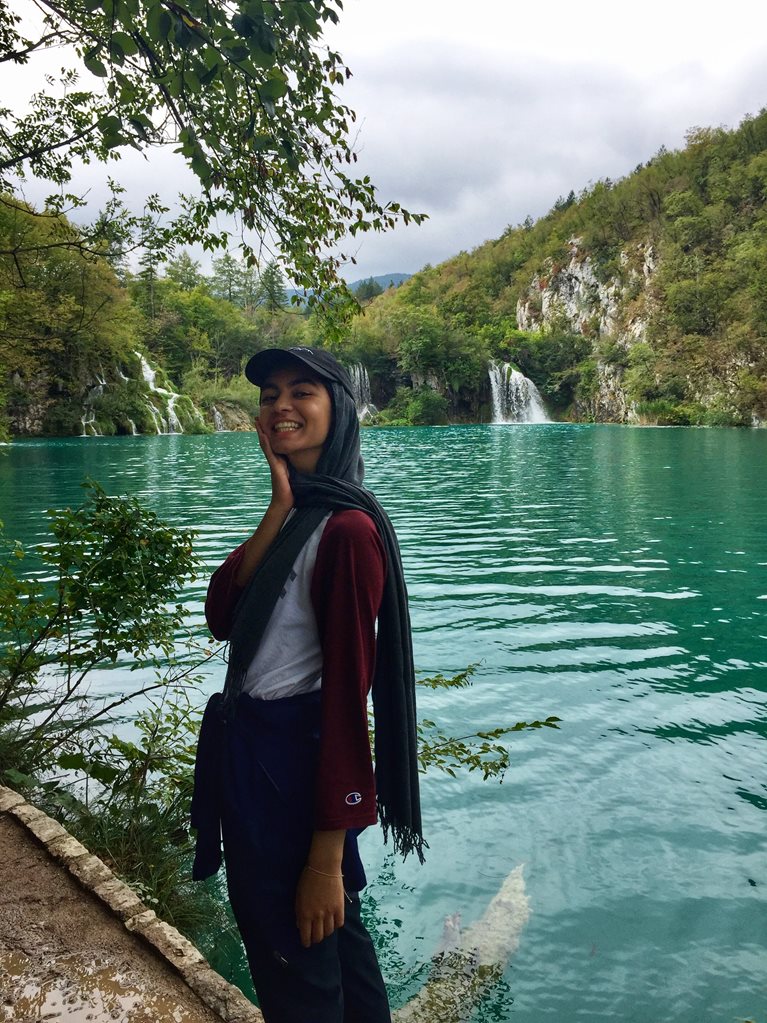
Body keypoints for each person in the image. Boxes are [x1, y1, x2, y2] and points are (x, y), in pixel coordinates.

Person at [190, 347, 424, 1023]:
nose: (280, 406)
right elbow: (222, 615)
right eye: (270, 395)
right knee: (336, 955)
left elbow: (347, 700)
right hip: (261, 758)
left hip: (290, 769)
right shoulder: (302, 513)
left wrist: (326, 858)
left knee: (295, 968)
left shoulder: (347, 530)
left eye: (301, 392)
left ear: (339, 411)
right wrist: (277, 505)